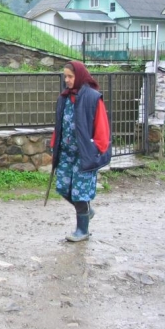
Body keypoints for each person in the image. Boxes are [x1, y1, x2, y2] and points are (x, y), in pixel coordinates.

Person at [50, 61, 111, 242]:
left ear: (80, 77)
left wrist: (97, 149)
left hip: (85, 154)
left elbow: (102, 126)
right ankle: (86, 210)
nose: (67, 80)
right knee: (62, 187)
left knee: (80, 193)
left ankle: (82, 230)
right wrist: (55, 144)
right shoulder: (64, 98)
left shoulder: (93, 97)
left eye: (70, 76)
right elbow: (60, 124)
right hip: (66, 153)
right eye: (65, 76)